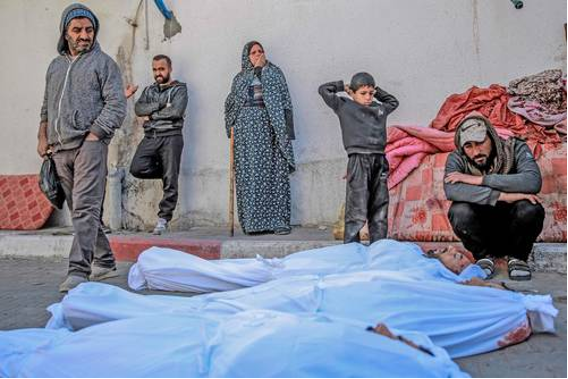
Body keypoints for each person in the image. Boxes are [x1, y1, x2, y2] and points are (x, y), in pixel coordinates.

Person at [37, 3, 127, 293]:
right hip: (59, 148)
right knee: (81, 211)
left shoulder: (104, 64)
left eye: (88, 30)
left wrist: (95, 135)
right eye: (77, 30)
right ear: (65, 32)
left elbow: (117, 104)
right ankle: (106, 260)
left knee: (86, 208)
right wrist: (42, 136)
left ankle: (78, 270)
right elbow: (46, 106)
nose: (84, 35)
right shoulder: (55, 66)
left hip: (90, 145)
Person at [444, 112, 545, 281]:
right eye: (468, 146)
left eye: (480, 142)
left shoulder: (515, 148)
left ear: (492, 137)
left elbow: (532, 181)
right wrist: (502, 196)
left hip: (514, 228)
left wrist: (479, 180)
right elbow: (452, 190)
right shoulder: (457, 158)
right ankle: (484, 258)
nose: (476, 151)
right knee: (459, 210)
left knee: (530, 208)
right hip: (481, 230)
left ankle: (518, 257)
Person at [224, 41, 296, 235]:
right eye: (253, 52)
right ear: (246, 56)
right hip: (246, 132)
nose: (258, 54)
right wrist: (231, 125)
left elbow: (285, 100)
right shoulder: (240, 78)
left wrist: (287, 132)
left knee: (274, 173)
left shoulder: (275, 73)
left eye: (260, 51)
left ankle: (277, 221)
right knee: (251, 174)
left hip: (271, 129)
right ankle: (253, 223)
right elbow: (231, 103)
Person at [319, 73, 399, 244]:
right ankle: (351, 247)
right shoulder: (344, 106)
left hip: (379, 160)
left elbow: (393, 102)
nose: (368, 97)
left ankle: (379, 245)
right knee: (357, 207)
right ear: (353, 93)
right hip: (358, 160)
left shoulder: (379, 108)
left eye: (371, 93)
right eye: (363, 93)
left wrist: (377, 91)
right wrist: (342, 86)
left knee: (380, 205)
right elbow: (323, 90)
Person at [130, 55, 188, 235]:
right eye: (155, 69)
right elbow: (139, 108)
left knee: (171, 180)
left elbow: (176, 111)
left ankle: (163, 219)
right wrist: (161, 104)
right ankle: (167, 172)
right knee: (137, 168)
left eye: (161, 69)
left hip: (171, 136)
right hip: (151, 137)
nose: (158, 73)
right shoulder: (149, 90)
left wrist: (152, 114)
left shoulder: (180, 89)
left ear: (169, 69)